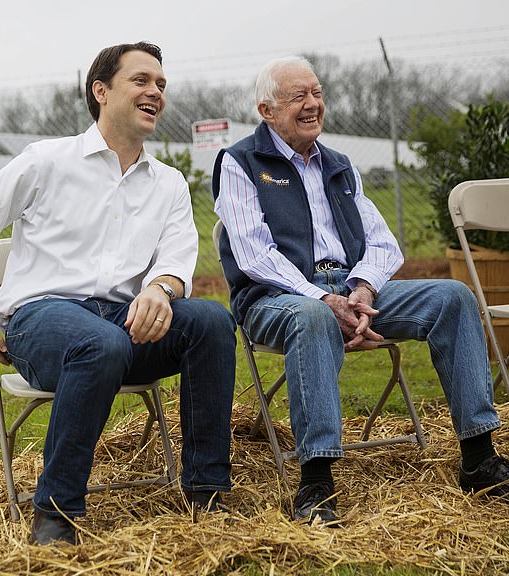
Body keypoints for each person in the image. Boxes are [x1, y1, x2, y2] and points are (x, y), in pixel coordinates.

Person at [0, 41, 236, 545]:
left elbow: (176, 261)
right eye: (141, 80)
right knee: (101, 344)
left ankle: (206, 495)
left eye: (161, 84)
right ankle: (56, 513)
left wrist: (161, 292)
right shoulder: (46, 161)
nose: (155, 92)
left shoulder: (167, 183)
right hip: (42, 321)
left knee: (209, 320)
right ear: (101, 91)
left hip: (124, 322)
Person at [213, 55, 509, 526]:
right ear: (267, 110)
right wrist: (323, 299)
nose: (313, 105)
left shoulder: (339, 164)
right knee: (311, 317)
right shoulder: (240, 162)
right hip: (275, 298)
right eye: (298, 97)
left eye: (318, 93)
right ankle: (316, 481)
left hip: (350, 289)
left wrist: (363, 289)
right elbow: (254, 256)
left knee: (453, 297)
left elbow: (383, 242)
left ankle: (478, 457)